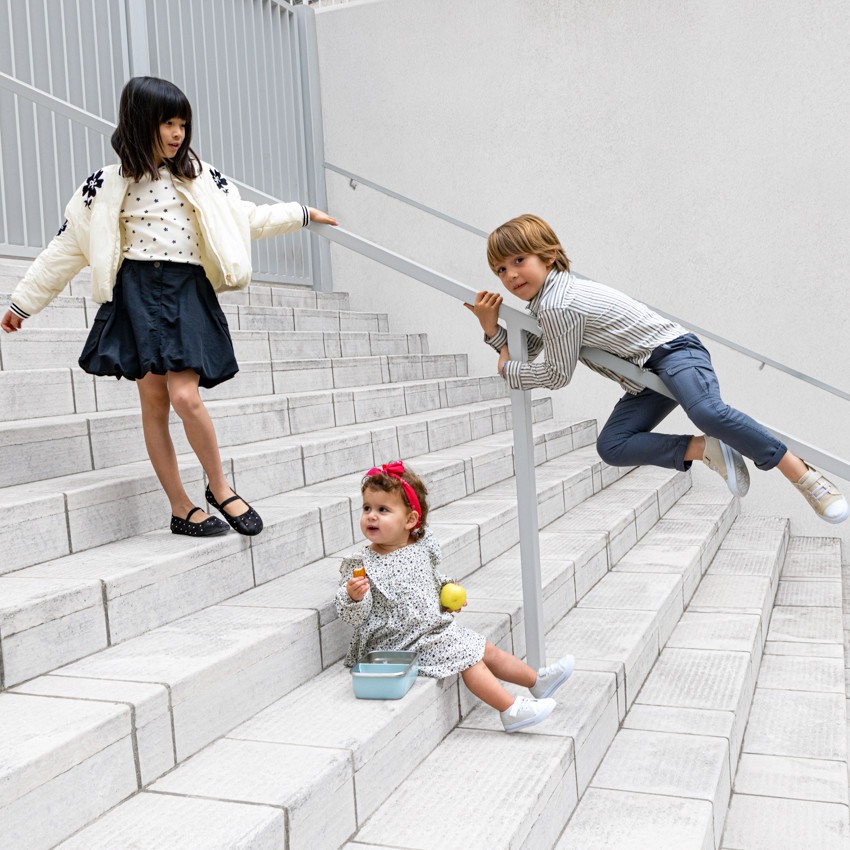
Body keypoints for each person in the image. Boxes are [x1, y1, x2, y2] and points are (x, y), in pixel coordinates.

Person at [1, 76, 338, 537]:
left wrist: (300, 213)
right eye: (168, 123)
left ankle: (219, 487)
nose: (178, 133)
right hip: (136, 293)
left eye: (183, 123)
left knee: (184, 395)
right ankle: (181, 507)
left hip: (187, 291)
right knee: (155, 403)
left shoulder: (201, 177)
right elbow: (66, 248)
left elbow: (245, 219)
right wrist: (23, 302)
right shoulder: (103, 184)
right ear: (142, 123)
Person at [465, 213, 848, 524]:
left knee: (707, 411)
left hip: (674, 353)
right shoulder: (548, 301)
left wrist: (505, 369)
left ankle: (802, 475)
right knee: (612, 446)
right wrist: (491, 329)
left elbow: (554, 375)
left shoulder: (557, 303)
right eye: (500, 269)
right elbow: (530, 348)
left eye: (519, 261)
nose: (511, 276)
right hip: (644, 378)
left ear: (547, 256)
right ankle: (704, 449)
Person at [335, 461, 574, 733]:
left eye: (382, 510)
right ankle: (510, 709)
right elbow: (353, 615)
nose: (371, 516)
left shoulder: (420, 547)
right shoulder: (362, 563)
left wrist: (448, 593)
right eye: (367, 508)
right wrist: (353, 597)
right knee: (468, 657)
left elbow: (432, 581)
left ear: (410, 520)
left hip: (428, 630)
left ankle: (537, 681)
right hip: (398, 641)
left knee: (485, 648)